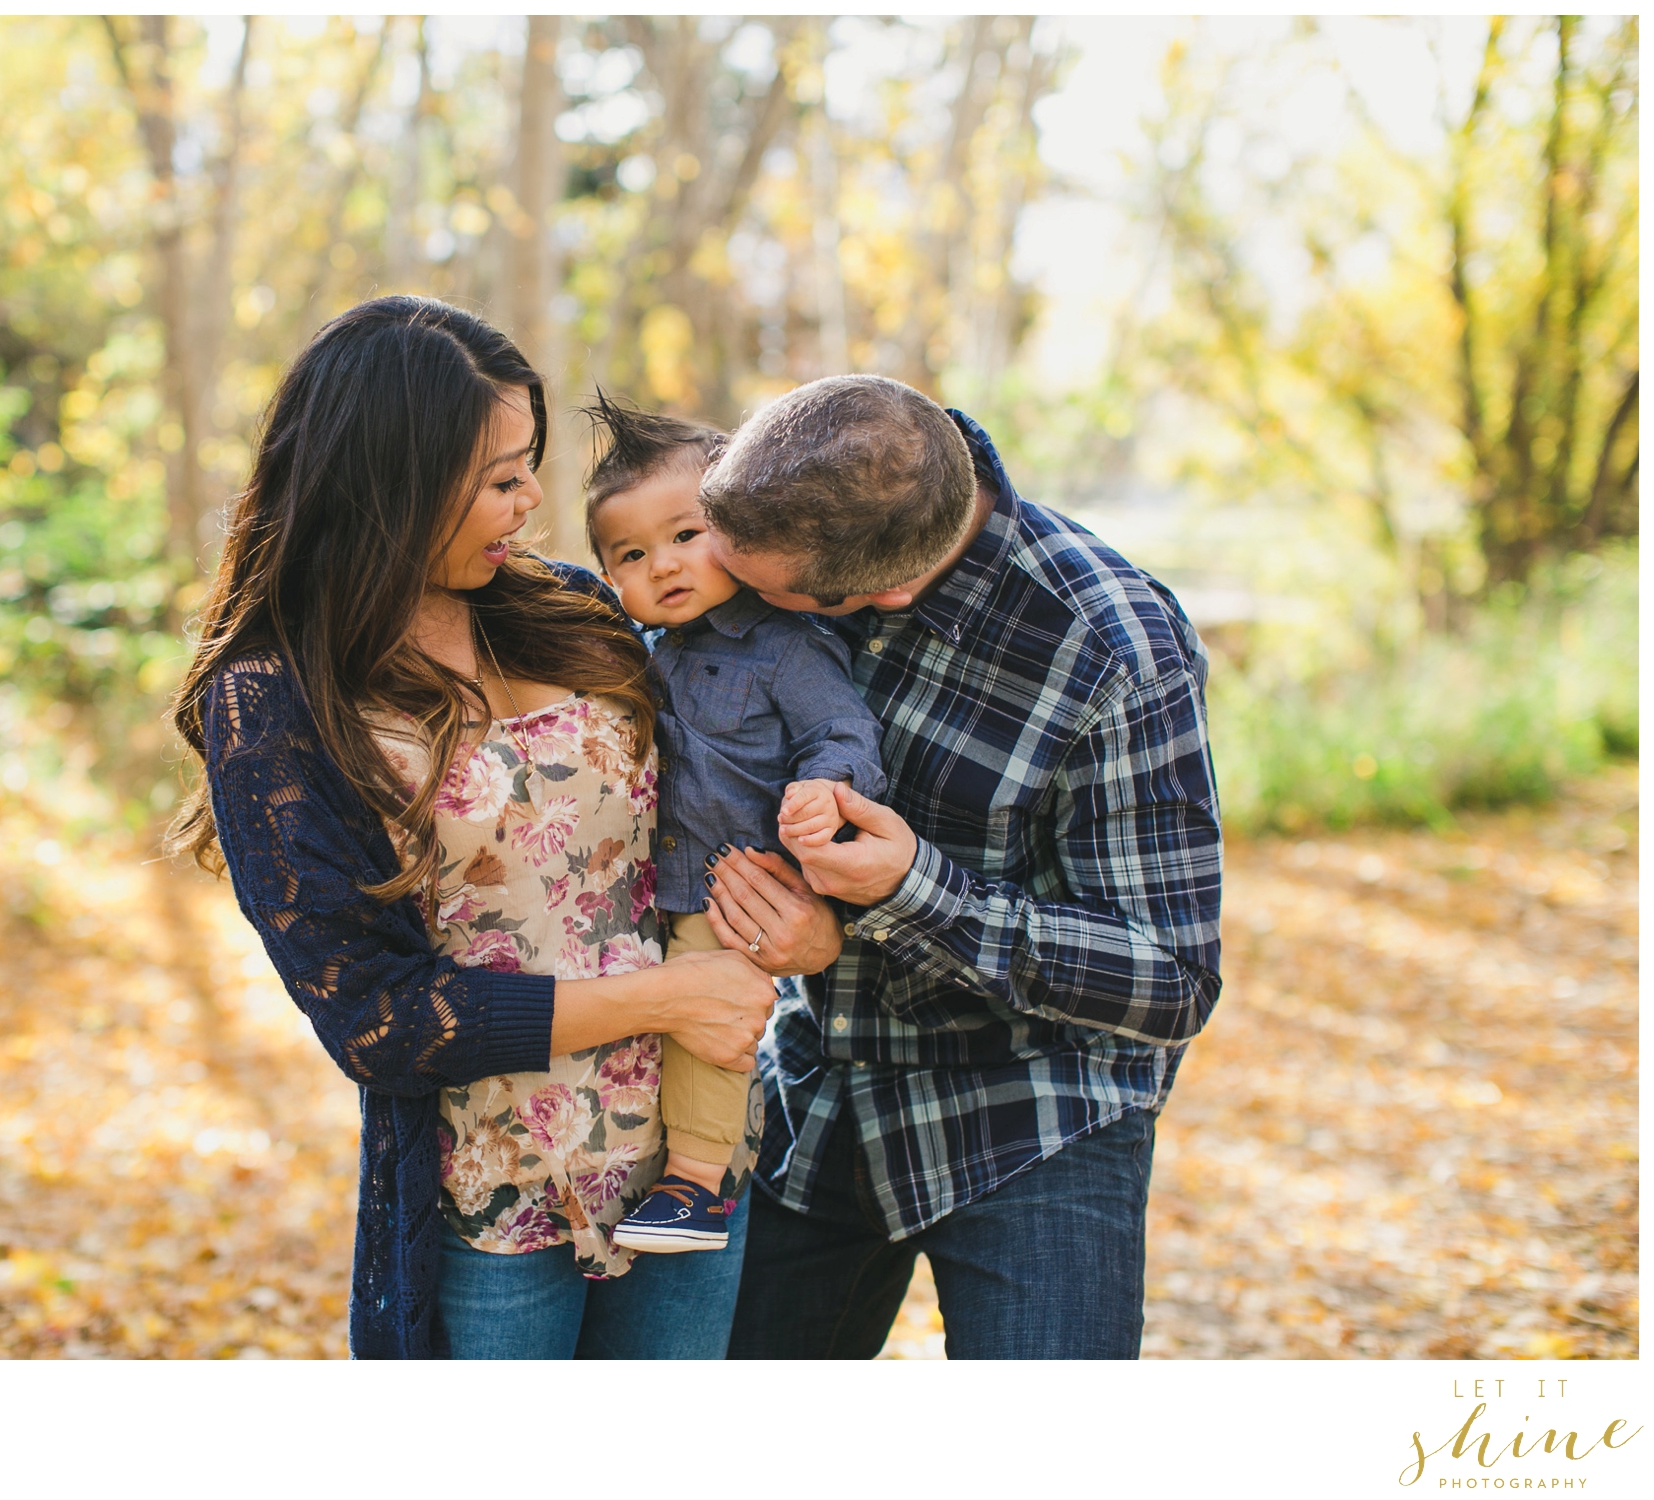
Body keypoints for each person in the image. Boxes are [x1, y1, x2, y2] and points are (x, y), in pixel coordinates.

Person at [168, 297, 776, 1359]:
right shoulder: (273, 700)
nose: (531, 499)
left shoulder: (580, 610)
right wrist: (665, 995)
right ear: (390, 485)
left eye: (528, 465)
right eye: (500, 478)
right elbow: (375, 1018)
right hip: (492, 1194)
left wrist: (801, 928)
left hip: (688, 1158)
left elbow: (727, 789)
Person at [692, 375, 1224, 1359]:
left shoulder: (1114, 651)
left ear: (875, 596)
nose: (726, 608)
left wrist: (908, 892)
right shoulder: (821, 489)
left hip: (1029, 1114)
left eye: (761, 601)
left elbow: (1171, 980)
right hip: (819, 1088)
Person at [578, 396, 886, 1254]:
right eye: (632, 554)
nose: (665, 566)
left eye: (685, 535)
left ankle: (696, 1186)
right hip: (643, 890)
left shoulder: (785, 645)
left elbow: (844, 733)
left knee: (708, 1024)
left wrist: (826, 792)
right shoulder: (636, 648)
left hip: (736, 887)